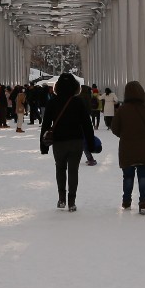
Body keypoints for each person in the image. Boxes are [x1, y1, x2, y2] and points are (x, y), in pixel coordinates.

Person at [41, 72, 91, 211]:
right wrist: (91, 144)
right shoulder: (78, 102)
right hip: (76, 140)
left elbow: (45, 124)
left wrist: (43, 146)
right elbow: (87, 124)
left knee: (60, 168)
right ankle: (72, 201)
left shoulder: (52, 102)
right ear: (75, 87)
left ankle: (61, 198)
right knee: (73, 170)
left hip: (59, 141)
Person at [107, 79, 145, 215]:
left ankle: (126, 201)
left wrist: (124, 135)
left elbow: (114, 128)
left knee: (128, 177)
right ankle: (143, 203)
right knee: (144, 177)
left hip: (127, 147)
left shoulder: (122, 110)